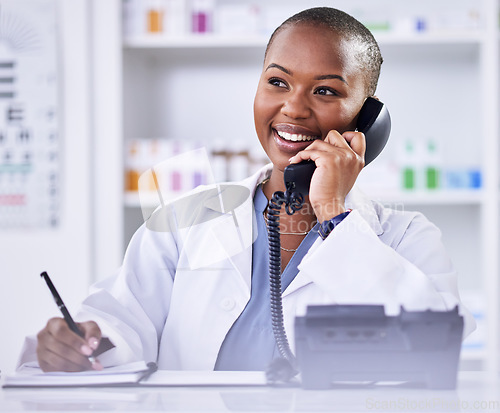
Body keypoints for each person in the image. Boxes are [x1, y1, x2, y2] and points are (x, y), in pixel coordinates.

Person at [19, 7, 474, 373]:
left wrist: (333, 211)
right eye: (277, 82)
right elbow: (124, 324)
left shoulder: (405, 238)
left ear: (367, 121)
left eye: (326, 91)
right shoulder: (187, 219)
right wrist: (82, 345)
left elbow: (434, 350)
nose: (293, 108)